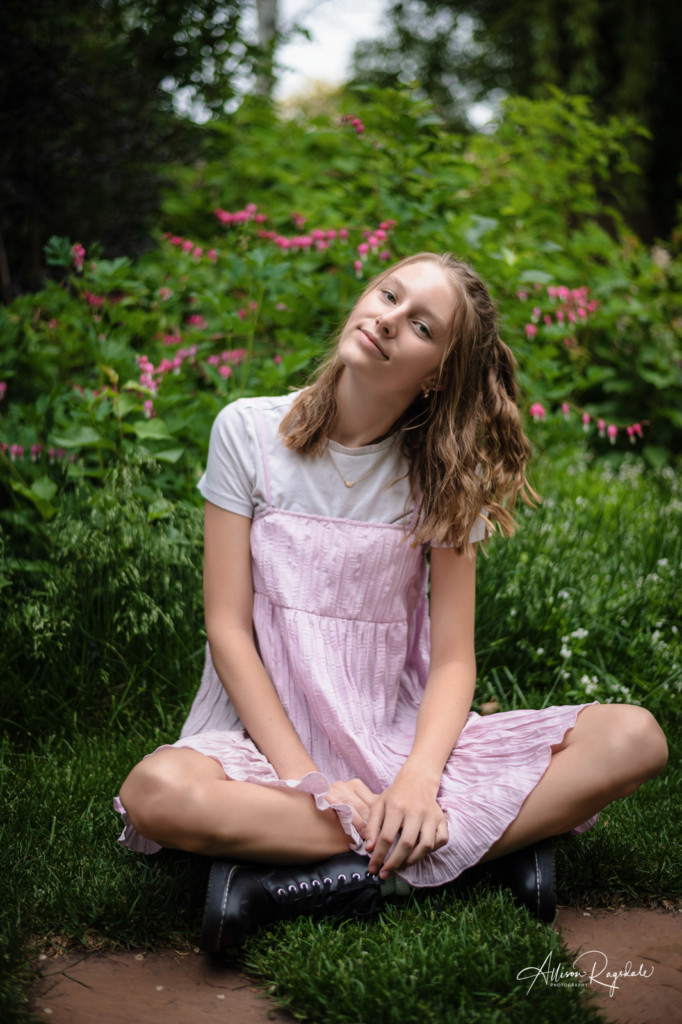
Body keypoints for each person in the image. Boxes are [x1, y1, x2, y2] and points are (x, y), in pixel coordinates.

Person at [115, 252, 668, 951]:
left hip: (394, 734)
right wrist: (308, 778)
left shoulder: (444, 474)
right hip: (266, 742)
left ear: (437, 372)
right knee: (157, 792)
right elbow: (228, 630)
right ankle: (476, 853)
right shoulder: (248, 432)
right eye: (387, 294)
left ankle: (305, 877)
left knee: (635, 737)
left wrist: (416, 780)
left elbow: (452, 662)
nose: (386, 319)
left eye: (420, 325)